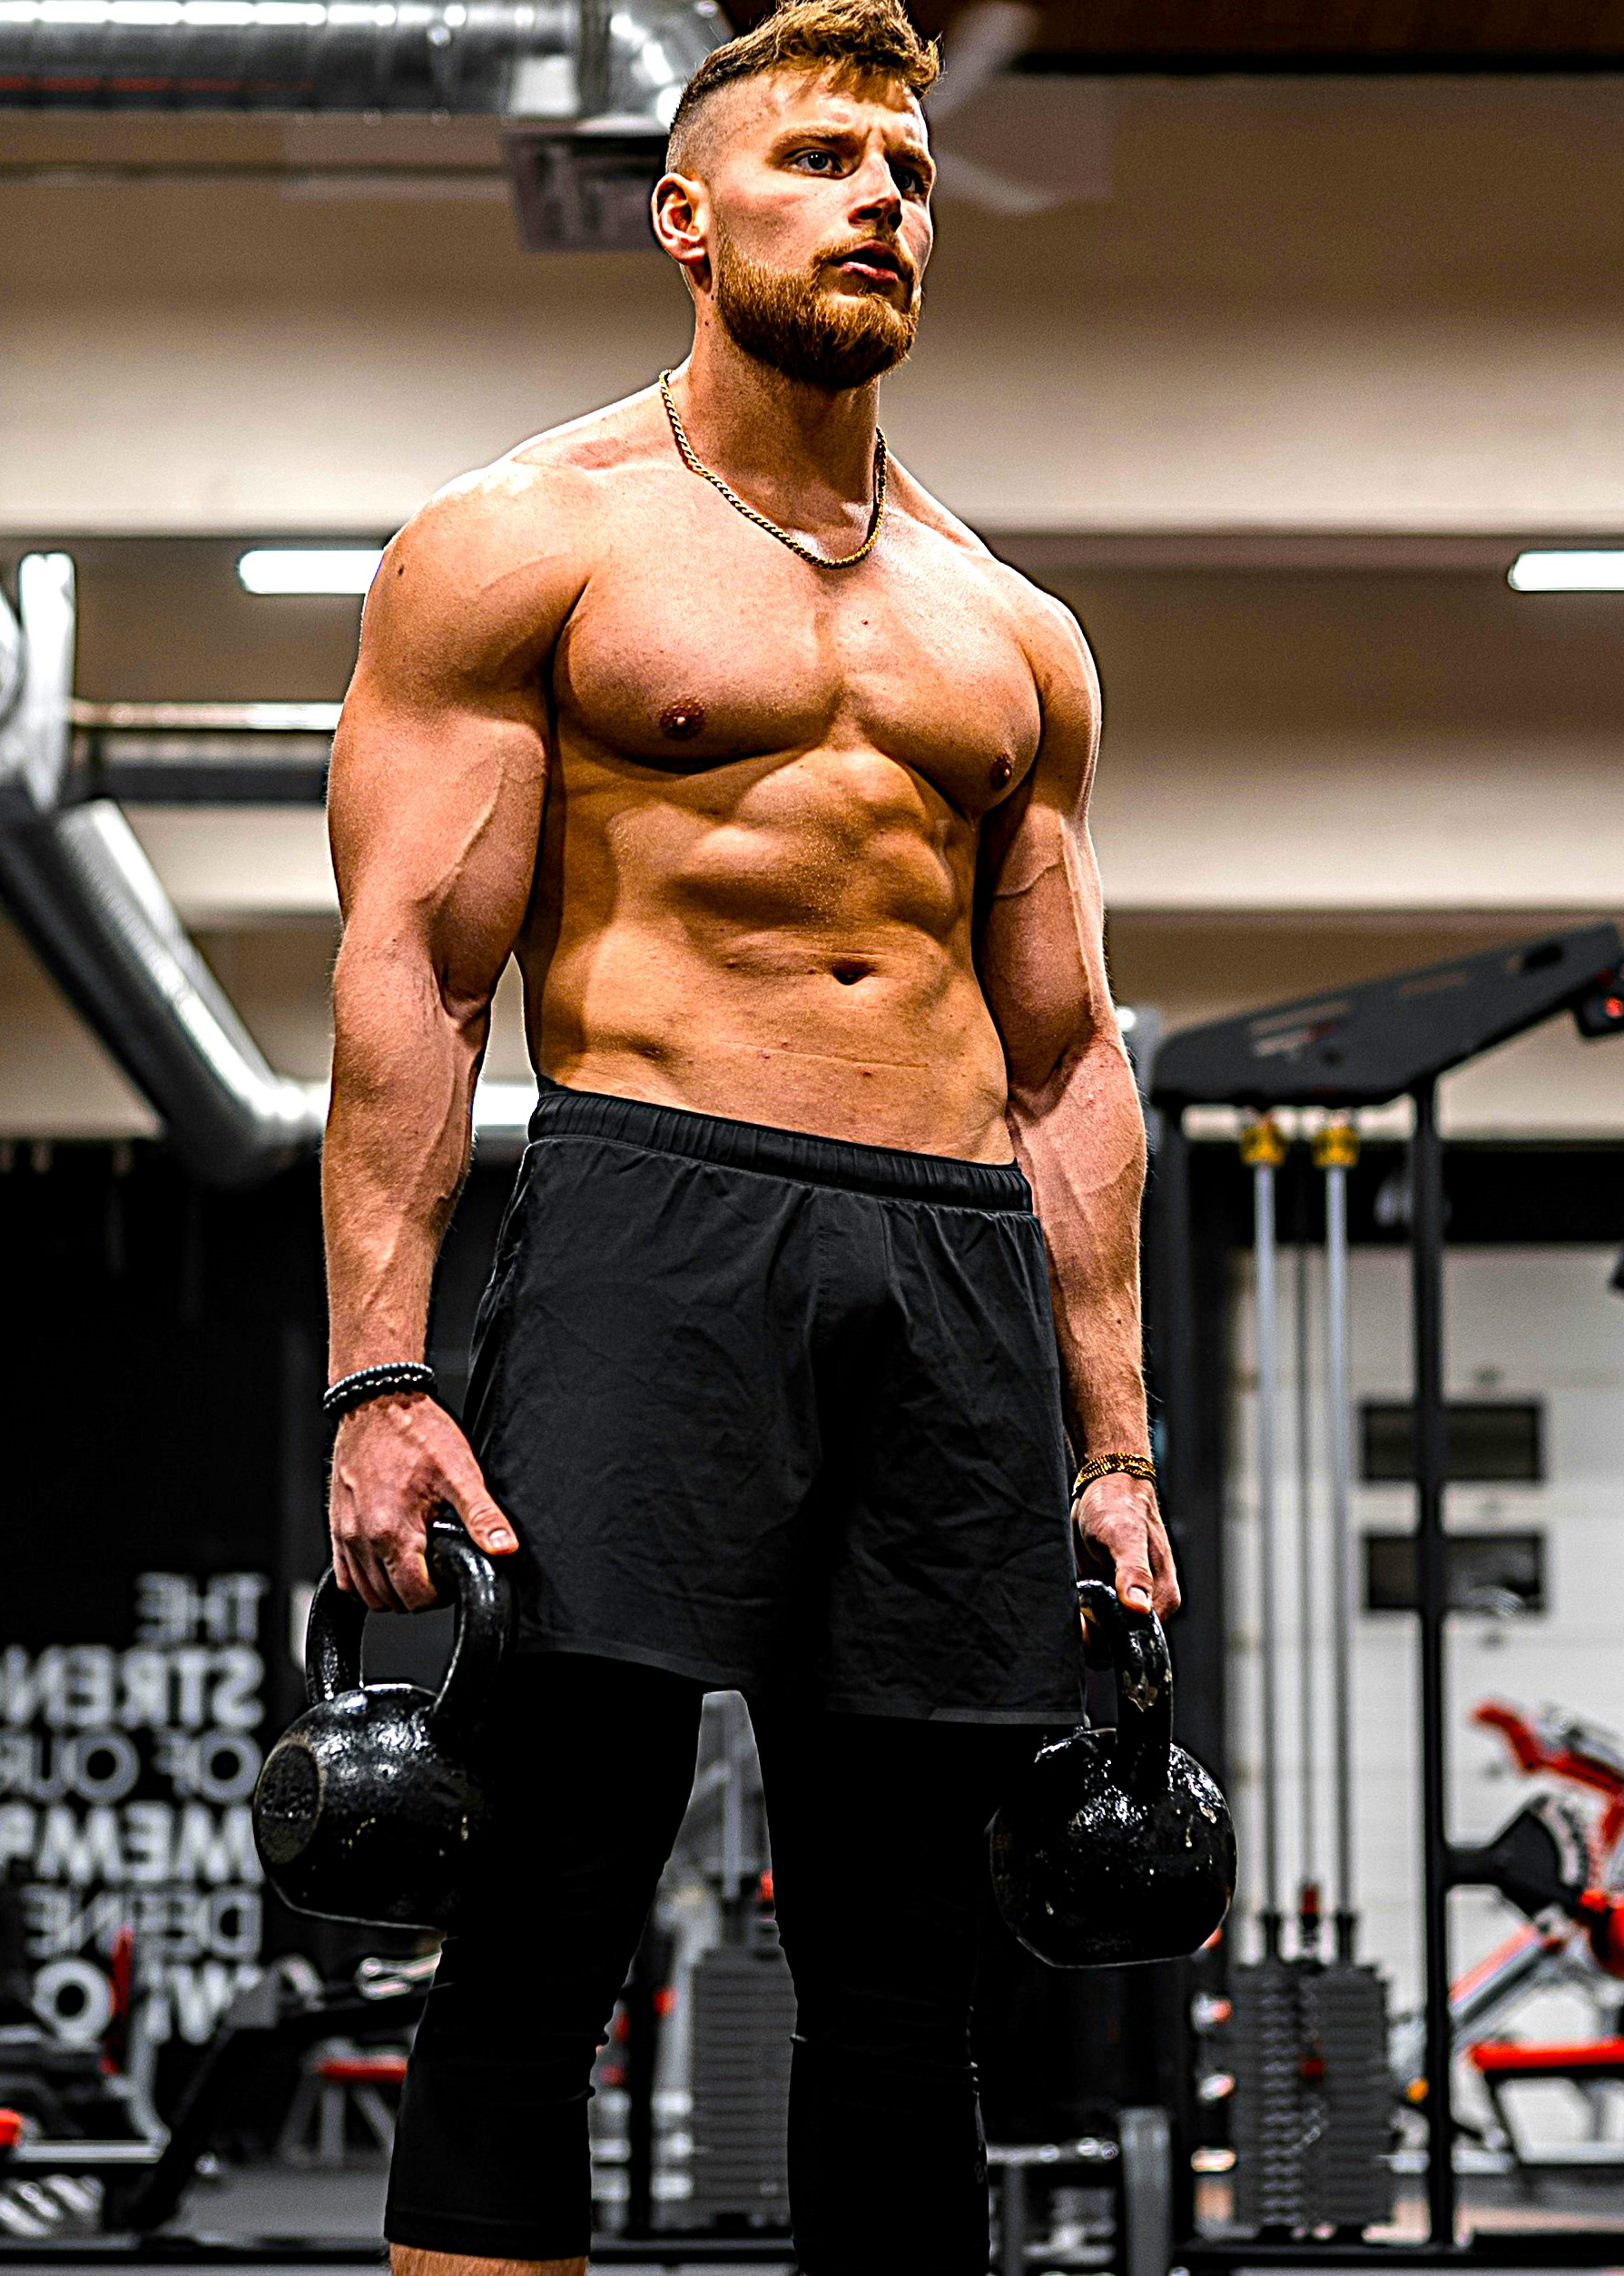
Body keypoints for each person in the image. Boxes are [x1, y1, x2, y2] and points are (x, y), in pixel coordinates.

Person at [320, 0, 1179, 2266]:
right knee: (544, 1920)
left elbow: (1071, 1058)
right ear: (686, 222)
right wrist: (380, 1376)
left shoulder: (1014, 636)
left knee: (910, 1977)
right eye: (821, 157)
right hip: (648, 1218)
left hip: (947, 1269)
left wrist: (1111, 1447)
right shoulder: (527, 544)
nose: (884, 195)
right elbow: (414, 970)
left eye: (904, 165)